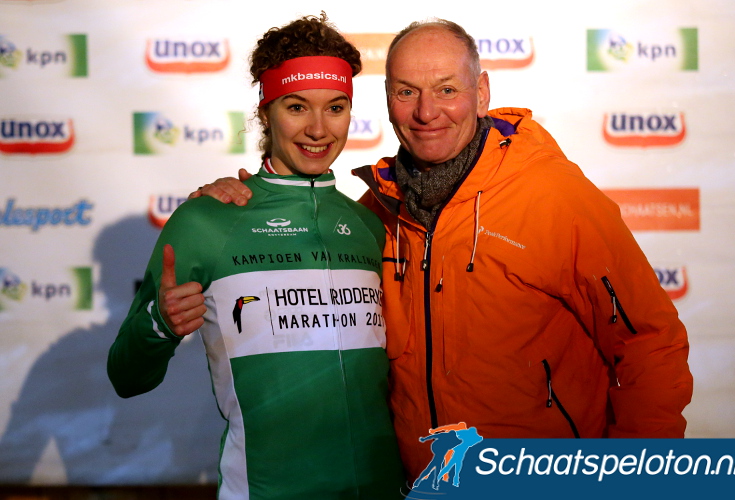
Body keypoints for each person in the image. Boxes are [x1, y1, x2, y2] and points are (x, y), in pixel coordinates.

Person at [193, 19, 693, 482]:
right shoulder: (378, 212)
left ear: (481, 94)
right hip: (423, 484)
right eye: (406, 92)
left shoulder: (556, 197)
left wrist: (634, 477)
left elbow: (649, 342)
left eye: (447, 91)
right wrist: (242, 204)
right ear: (388, 101)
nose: (426, 112)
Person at [108, 14, 405, 499]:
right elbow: (125, 376)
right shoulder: (208, 221)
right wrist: (159, 324)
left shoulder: (374, 224)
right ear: (266, 111)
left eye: (336, 107)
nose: (317, 128)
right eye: (296, 107)